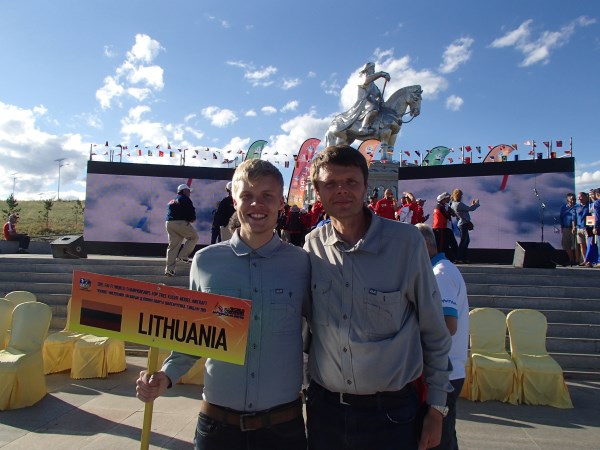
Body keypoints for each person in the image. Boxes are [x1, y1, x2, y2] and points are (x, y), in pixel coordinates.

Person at [137, 159, 311, 450]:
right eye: (247, 196)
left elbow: (324, 330)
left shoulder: (301, 264)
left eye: (267, 196)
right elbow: (191, 333)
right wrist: (166, 376)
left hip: (283, 429)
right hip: (218, 428)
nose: (257, 204)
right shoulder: (206, 263)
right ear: (234, 200)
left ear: (281, 202)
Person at [303, 145, 452, 450]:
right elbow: (304, 329)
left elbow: (435, 331)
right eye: (330, 184)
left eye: (351, 182)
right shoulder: (311, 247)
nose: (341, 191)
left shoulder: (407, 244)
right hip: (325, 413)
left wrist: (437, 411)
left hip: (391, 416)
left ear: (366, 187)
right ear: (318, 191)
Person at [416, 224, 469, 450]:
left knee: (438, 441)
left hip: (445, 371)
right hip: (447, 370)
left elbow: (448, 325)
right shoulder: (441, 270)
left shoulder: (440, 275)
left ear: (425, 246)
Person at [336, 62, 391, 134]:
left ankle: (375, 126)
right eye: (372, 68)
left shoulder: (373, 85)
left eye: (373, 69)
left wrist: (380, 99)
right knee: (373, 108)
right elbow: (367, 81)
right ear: (367, 69)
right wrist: (381, 74)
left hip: (372, 101)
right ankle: (363, 127)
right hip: (364, 101)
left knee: (381, 110)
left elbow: (378, 94)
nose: (373, 70)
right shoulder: (363, 79)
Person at [164, 184, 199, 276]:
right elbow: (190, 210)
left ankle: (169, 270)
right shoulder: (185, 199)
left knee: (173, 246)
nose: (189, 193)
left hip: (169, 223)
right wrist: (192, 218)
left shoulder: (172, 200)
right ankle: (183, 256)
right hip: (179, 223)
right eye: (188, 191)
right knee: (194, 237)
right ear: (184, 191)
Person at [451, 189, 480, 264]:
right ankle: (458, 258)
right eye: (461, 195)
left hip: (461, 223)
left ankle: (463, 258)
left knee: (465, 241)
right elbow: (470, 209)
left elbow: (463, 210)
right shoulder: (459, 204)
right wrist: (476, 204)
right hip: (463, 224)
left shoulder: (453, 204)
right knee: (464, 242)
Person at [432, 192, 458, 262]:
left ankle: (446, 258)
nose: (448, 199)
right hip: (440, 227)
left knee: (443, 244)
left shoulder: (441, 206)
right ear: (443, 199)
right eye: (447, 198)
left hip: (440, 227)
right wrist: (450, 212)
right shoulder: (440, 206)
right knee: (441, 244)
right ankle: (441, 258)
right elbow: (447, 215)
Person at [559, 193, 577, 265]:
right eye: (571, 200)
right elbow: (561, 217)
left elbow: (574, 218)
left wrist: (574, 226)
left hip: (575, 228)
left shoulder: (577, 207)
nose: (572, 201)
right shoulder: (564, 207)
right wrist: (562, 227)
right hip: (566, 228)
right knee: (566, 244)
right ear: (568, 200)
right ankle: (571, 259)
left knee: (576, 245)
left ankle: (578, 259)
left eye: (574, 200)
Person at [575, 192, 592, 265]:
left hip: (586, 228)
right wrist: (574, 226)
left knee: (589, 244)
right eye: (578, 197)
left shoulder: (589, 206)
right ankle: (585, 260)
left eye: (580, 197)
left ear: (585, 197)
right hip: (579, 228)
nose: (579, 199)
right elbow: (575, 217)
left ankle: (590, 260)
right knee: (582, 245)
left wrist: (589, 227)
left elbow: (591, 216)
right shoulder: (577, 206)